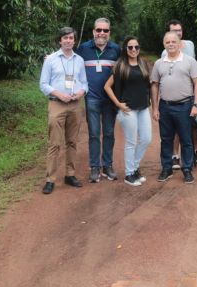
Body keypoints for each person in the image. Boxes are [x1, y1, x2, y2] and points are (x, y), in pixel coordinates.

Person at [38, 27, 88, 195]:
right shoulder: (51, 59)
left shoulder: (79, 60)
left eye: (71, 38)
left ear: (74, 41)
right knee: (54, 143)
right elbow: (43, 84)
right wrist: (59, 94)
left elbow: (84, 83)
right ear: (60, 41)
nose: (68, 40)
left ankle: (70, 174)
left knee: (72, 142)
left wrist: (81, 92)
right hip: (57, 104)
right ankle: (50, 179)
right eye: (65, 38)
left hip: (74, 105)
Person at [151, 31, 197, 184]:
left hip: (185, 105)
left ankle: (187, 169)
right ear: (164, 45)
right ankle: (166, 168)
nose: (171, 44)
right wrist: (155, 108)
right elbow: (154, 85)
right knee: (166, 139)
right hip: (165, 106)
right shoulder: (159, 63)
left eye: (174, 41)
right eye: (168, 42)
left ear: (180, 44)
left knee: (186, 139)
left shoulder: (189, 61)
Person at [75, 17, 121, 183]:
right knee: (94, 134)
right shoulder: (83, 49)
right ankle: (94, 166)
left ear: (109, 32)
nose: (102, 33)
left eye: (105, 30)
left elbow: (124, 70)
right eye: (99, 30)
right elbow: (70, 62)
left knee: (109, 133)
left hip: (110, 99)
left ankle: (107, 165)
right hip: (92, 98)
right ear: (94, 31)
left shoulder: (116, 49)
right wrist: (51, 58)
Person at [103, 36, 153, 187]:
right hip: (128, 109)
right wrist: (118, 104)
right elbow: (107, 86)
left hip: (143, 108)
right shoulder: (121, 66)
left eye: (136, 47)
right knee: (131, 142)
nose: (133, 50)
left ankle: (135, 167)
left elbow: (147, 85)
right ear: (125, 49)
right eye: (130, 47)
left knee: (146, 138)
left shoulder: (143, 64)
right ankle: (129, 174)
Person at [160, 20, 197, 168]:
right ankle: (175, 155)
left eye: (179, 30)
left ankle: (195, 151)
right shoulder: (165, 52)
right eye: (173, 31)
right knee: (179, 126)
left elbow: (194, 66)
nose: (177, 33)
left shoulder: (190, 44)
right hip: (180, 94)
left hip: (193, 90)